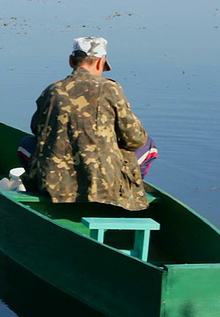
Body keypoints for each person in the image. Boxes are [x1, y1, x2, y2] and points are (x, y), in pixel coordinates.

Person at [19, 36, 158, 211]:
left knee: (26, 144)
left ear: (71, 61)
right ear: (101, 62)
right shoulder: (110, 89)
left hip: (54, 181)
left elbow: (37, 130)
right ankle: (123, 193)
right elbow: (135, 139)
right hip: (102, 181)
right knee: (149, 146)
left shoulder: (52, 91)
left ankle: (47, 197)